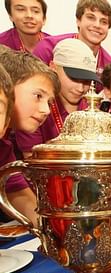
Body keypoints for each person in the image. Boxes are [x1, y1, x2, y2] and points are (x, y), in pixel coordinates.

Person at [0, 47, 59, 225]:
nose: (46, 110)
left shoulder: (4, 146)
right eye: (38, 96)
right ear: (7, 86)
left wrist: (50, 230)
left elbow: (16, 191)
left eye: (49, 102)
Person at [15, 38, 100, 158]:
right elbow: (32, 162)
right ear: (53, 67)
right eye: (74, 78)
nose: (80, 88)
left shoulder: (92, 109)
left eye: (87, 81)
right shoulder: (35, 106)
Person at [32, 0, 111, 89]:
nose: (97, 25)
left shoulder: (110, 66)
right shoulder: (48, 48)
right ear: (78, 20)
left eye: (104, 22)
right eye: (91, 17)